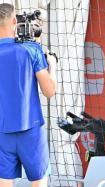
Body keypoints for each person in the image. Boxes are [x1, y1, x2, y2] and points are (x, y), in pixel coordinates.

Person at [0, 3, 57, 187]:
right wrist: (53, 66)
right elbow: (49, 91)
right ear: (14, 21)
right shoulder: (32, 50)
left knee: (4, 182)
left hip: (2, 130)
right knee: (39, 182)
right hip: (31, 129)